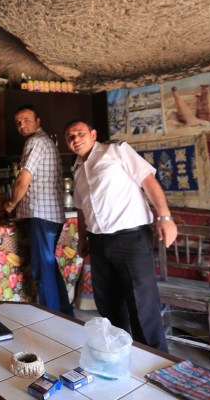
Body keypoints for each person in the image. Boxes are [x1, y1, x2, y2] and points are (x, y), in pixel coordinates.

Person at [64, 120, 178, 352]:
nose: (75, 139)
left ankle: (156, 363)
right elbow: (81, 207)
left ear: (93, 134)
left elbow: (148, 181)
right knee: (109, 306)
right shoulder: (76, 168)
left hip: (131, 240)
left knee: (142, 307)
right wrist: (83, 239)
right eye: (70, 137)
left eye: (80, 133)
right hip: (98, 243)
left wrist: (165, 217)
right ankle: (120, 357)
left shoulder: (115, 151)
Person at [4, 106, 74, 316]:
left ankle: (52, 318)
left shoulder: (35, 142)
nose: (22, 125)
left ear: (38, 120)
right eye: (18, 122)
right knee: (49, 267)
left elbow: (23, 179)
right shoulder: (45, 141)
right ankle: (65, 314)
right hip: (49, 214)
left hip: (41, 214)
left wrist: (11, 204)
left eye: (26, 120)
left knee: (43, 270)